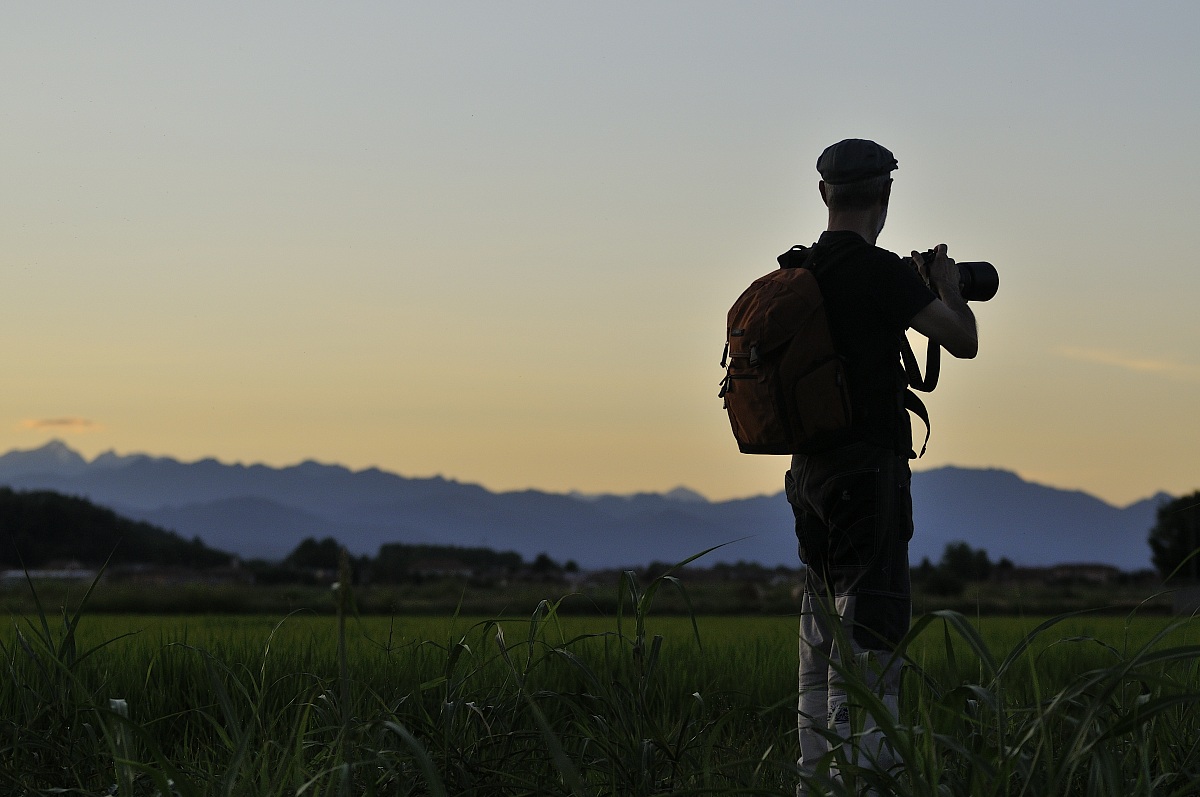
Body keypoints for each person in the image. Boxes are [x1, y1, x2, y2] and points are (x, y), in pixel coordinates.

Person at [783, 139, 977, 794]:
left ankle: (815, 783)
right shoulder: (880, 273)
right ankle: (865, 786)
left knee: (819, 651)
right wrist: (947, 288)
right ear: (885, 197)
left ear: (823, 195)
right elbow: (962, 339)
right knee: (869, 654)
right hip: (869, 481)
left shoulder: (800, 270)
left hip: (809, 483)